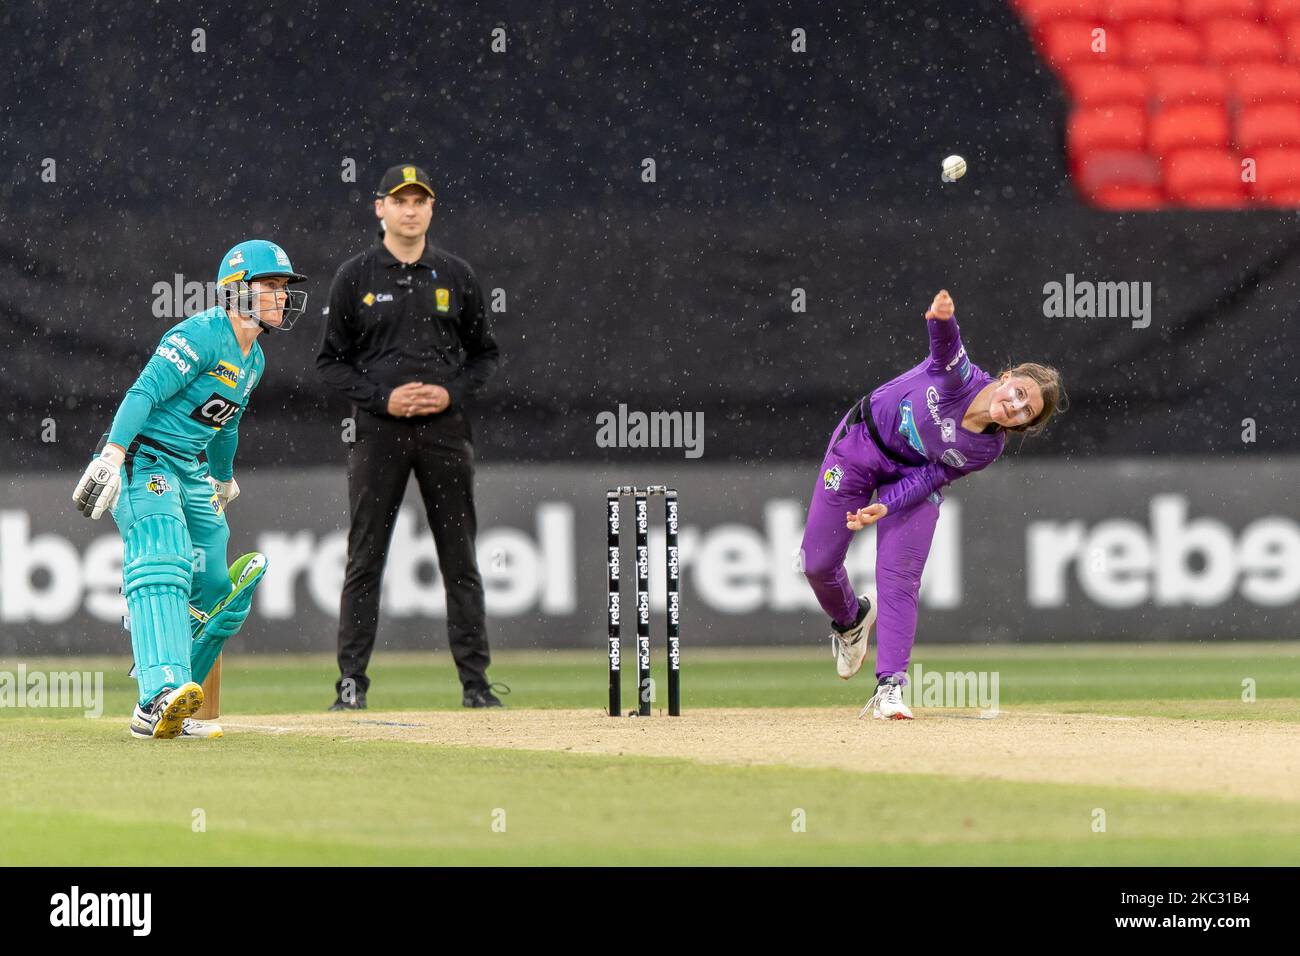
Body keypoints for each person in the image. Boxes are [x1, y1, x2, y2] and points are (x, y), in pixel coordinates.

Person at [72, 240, 307, 739]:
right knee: (164, 553)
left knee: (218, 592)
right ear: (237, 291)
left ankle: (183, 699)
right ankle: (153, 698)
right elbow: (145, 392)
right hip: (142, 456)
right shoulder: (200, 334)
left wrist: (222, 478)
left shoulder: (254, 359)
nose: (281, 298)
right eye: (271, 287)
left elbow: (226, 425)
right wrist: (112, 455)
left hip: (190, 468)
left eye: (284, 289)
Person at [801, 289, 1065, 720]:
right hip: (859, 446)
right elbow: (946, 346)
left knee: (900, 577)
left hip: (910, 478)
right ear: (1006, 376)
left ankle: (890, 687)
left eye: (1025, 412)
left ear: (1025, 425)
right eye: (1019, 393)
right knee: (816, 563)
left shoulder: (986, 449)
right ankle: (850, 621)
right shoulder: (958, 377)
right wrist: (941, 318)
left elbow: (931, 476)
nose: (1014, 406)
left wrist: (886, 506)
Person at [317, 163, 502, 710]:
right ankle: (351, 686)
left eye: (420, 200)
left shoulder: (455, 275)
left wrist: (450, 393)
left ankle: (476, 685)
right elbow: (331, 362)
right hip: (380, 433)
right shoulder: (356, 277)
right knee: (366, 558)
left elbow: (485, 355)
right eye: (400, 200)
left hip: (445, 431)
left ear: (431, 208)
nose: (410, 208)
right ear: (380, 208)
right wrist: (381, 398)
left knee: (459, 558)